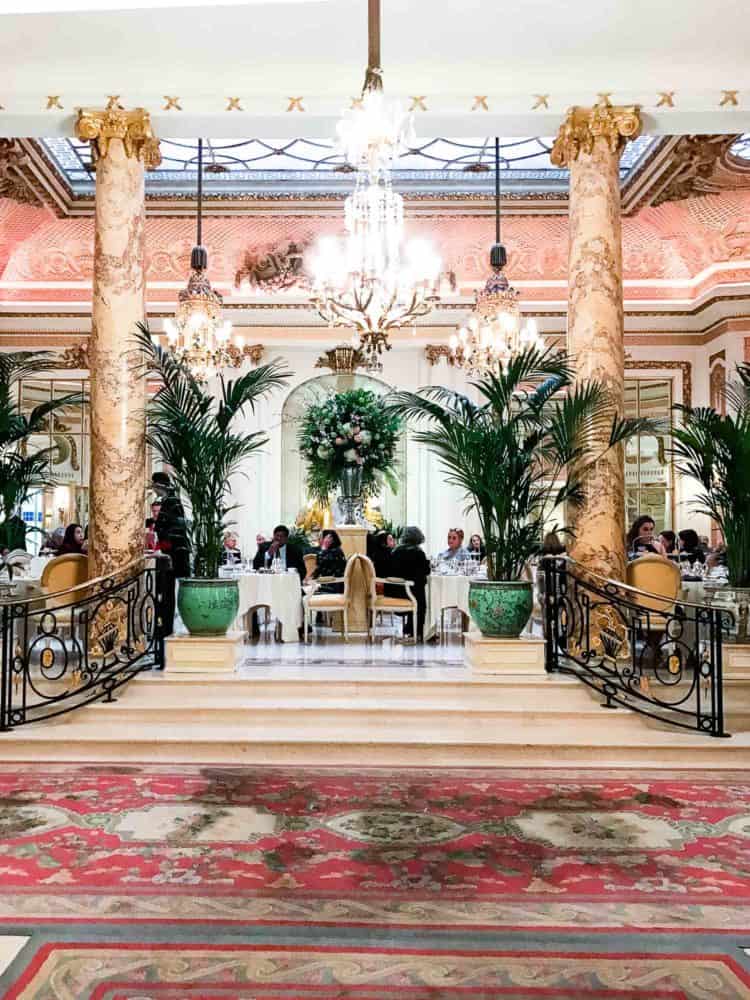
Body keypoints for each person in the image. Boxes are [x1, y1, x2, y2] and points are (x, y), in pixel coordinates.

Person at [152, 471, 191, 639]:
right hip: (173, 554)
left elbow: (171, 530)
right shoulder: (172, 501)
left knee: (166, 594)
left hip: (172, 556)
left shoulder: (171, 502)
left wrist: (163, 548)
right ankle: (163, 627)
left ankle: (164, 628)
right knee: (166, 593)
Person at [389, 526, 431, 643]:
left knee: (418, 587)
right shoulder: (418, 553)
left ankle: (409, 628)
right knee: (422, 598)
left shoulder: (395, 551)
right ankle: (419, 631)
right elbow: (426, 571)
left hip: (395, 591)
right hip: (410, 594)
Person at [310, 529, 346, 594]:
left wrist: (324, 548)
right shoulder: (334, 550)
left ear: (330, 539)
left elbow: (320, 567)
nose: (319, 539)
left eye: (321, 537)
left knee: (305, 592)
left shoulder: (335, 552)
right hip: (328, 584)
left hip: (332, 586)